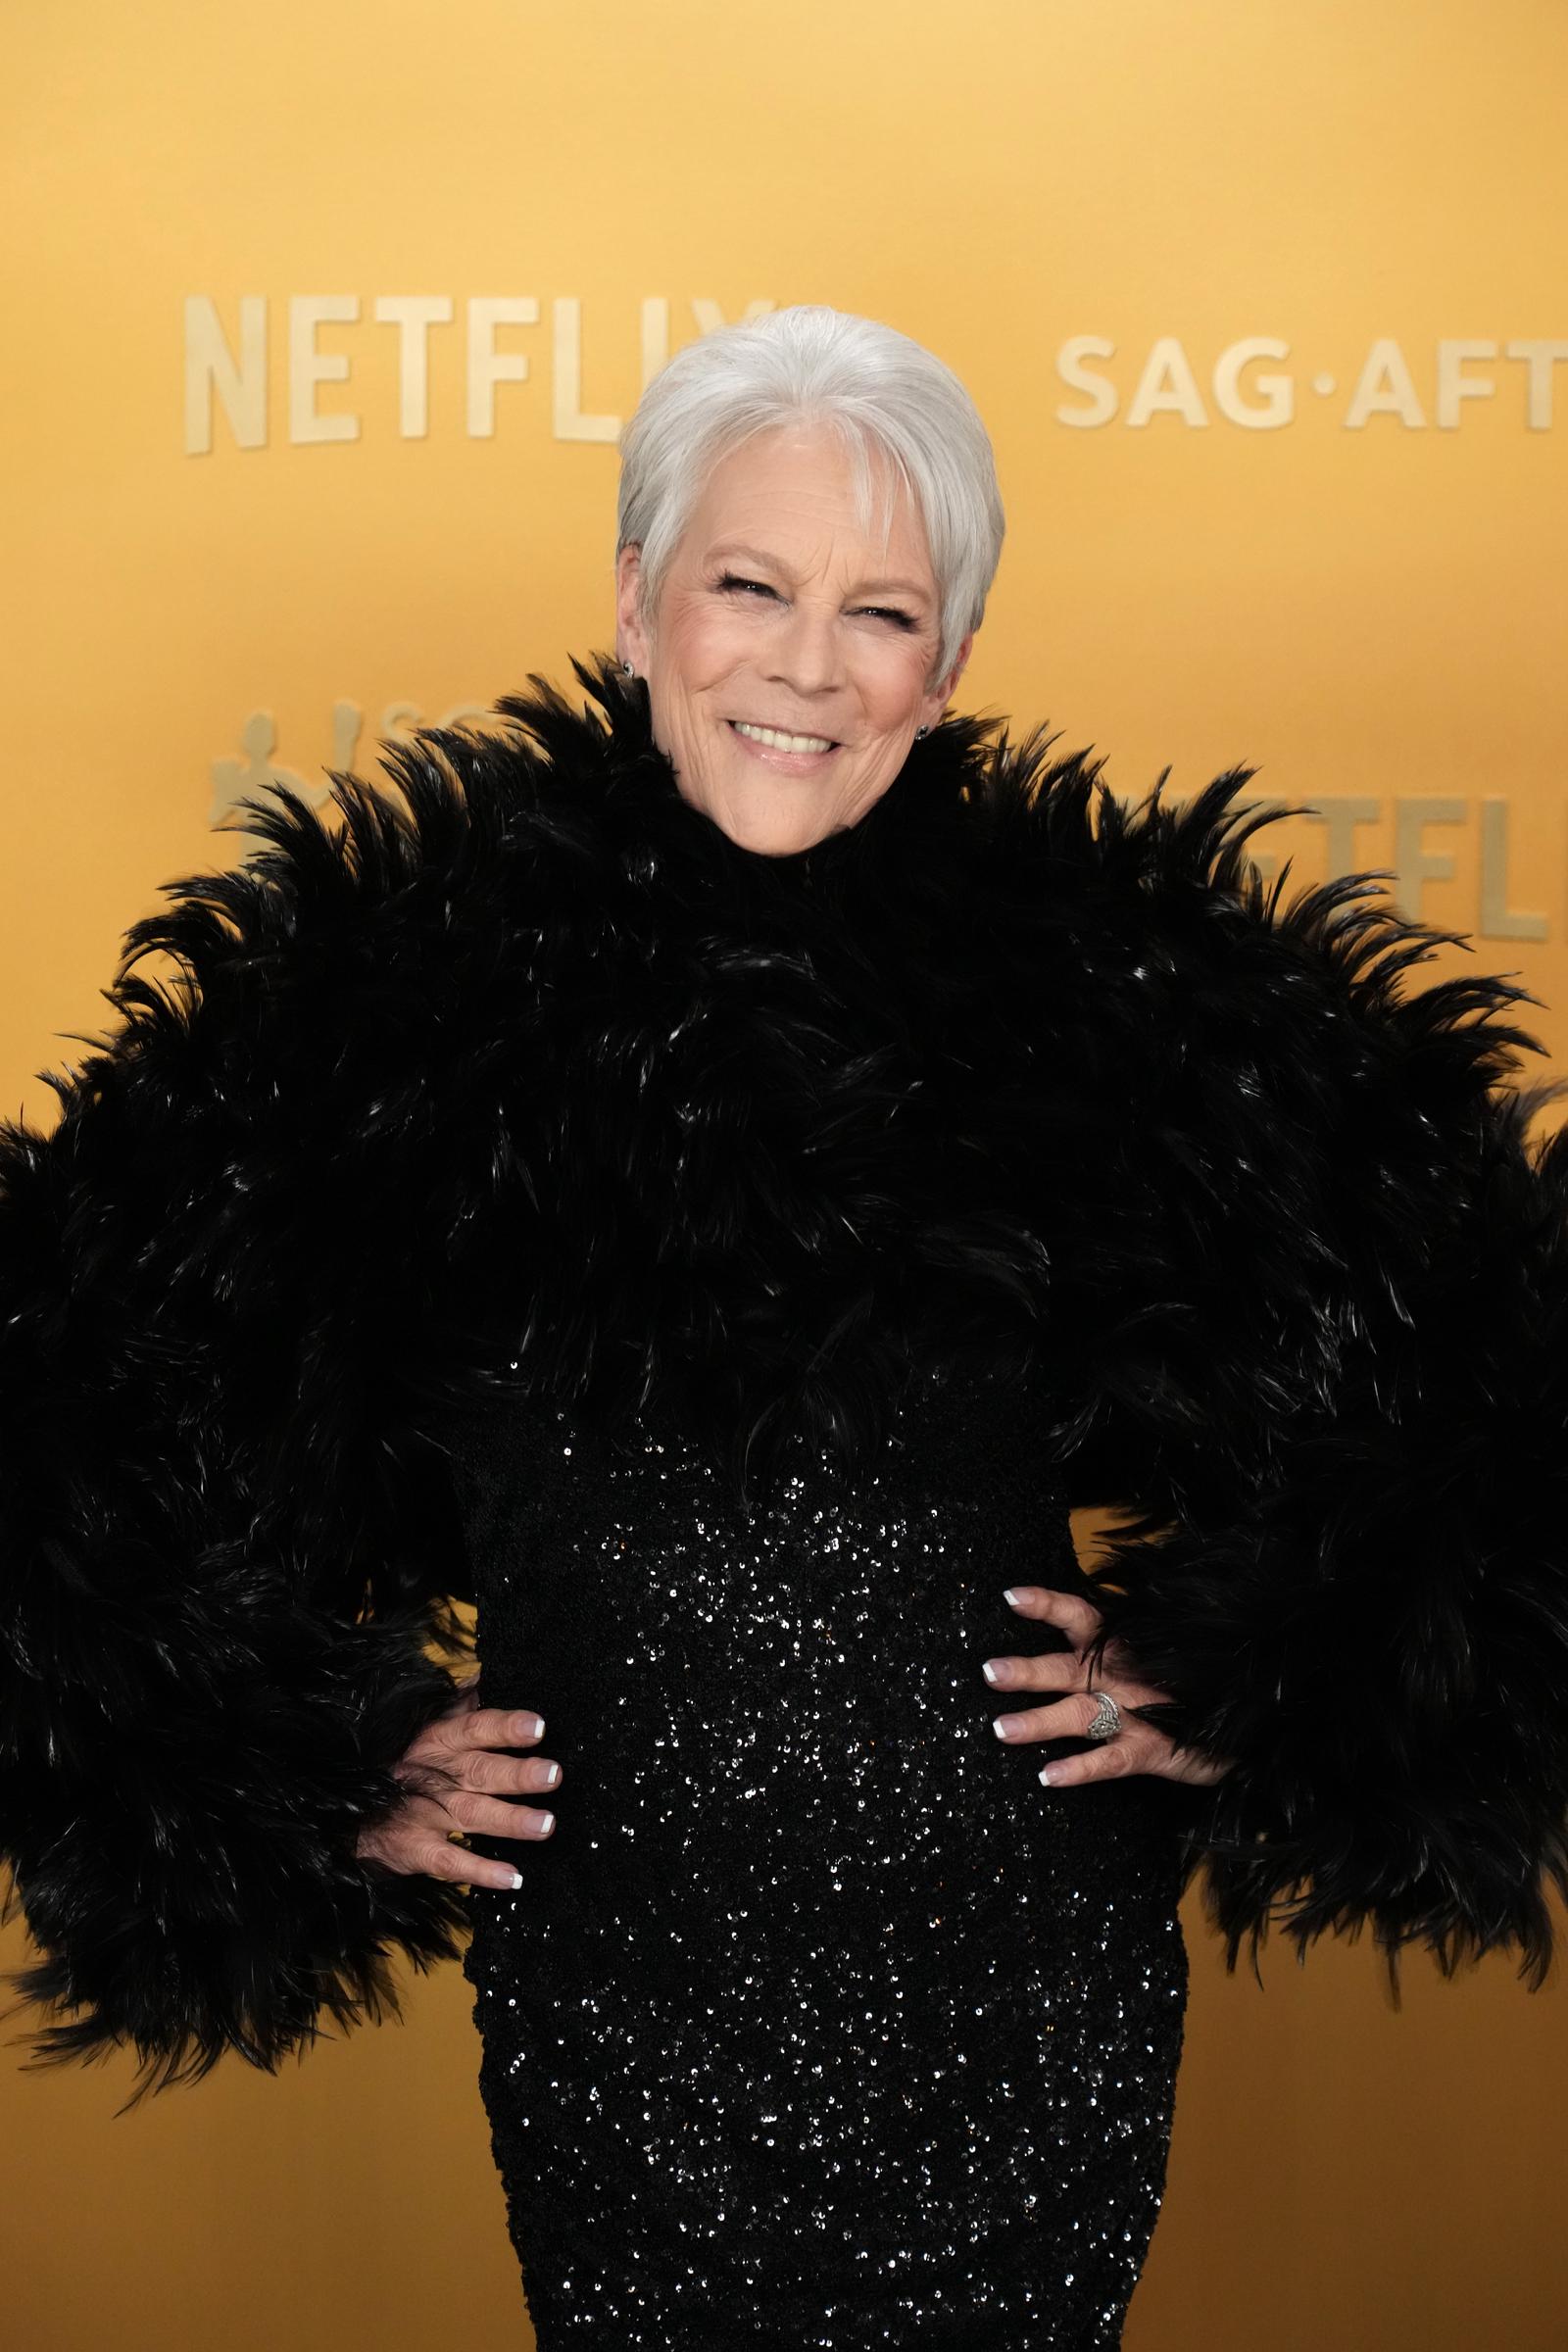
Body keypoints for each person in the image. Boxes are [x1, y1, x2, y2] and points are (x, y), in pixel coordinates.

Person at [3, 304, 1567, 2350]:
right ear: (638, 601)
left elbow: (1499, 1367)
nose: (807, 666)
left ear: (952, 667)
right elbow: (54, 1403)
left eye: (881, 610)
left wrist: (1292, 1681)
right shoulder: (395, 1005)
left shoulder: (1102, 993)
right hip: (620, 2034)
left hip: (1023, 2014)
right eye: (748, 585)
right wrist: (280, 1771)